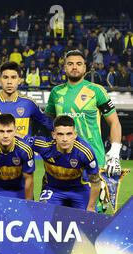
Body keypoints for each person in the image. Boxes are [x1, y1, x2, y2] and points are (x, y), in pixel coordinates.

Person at [46, 50, 122, 178]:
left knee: (93, 198)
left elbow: (114, 122)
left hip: (94, 157)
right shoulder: (56, 92)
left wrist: (114, 151)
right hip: (62, 160)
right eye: (70, 64)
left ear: (84, 68)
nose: (74, 67)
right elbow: (47, 122)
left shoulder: (97, 91)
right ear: (65, 67)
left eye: (78, 64)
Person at [28, 116, 101, 212]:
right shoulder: (44, 145)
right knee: (43, 214)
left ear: (75, 135)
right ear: (54, 135)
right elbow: (18, 139)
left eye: (69, 134)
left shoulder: (85, 152)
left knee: (88, 220)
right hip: (53, 189)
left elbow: (95, 182)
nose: (65, 139)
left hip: (79, 190)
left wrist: (91, 207)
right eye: (60, 134)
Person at [0, 62, 53, 141]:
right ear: (0, 80)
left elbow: (49, 124)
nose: (9, 82)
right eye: (5, 77)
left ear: (19, 80)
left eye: (13, 77)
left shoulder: (29, 103)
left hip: (23, 152)